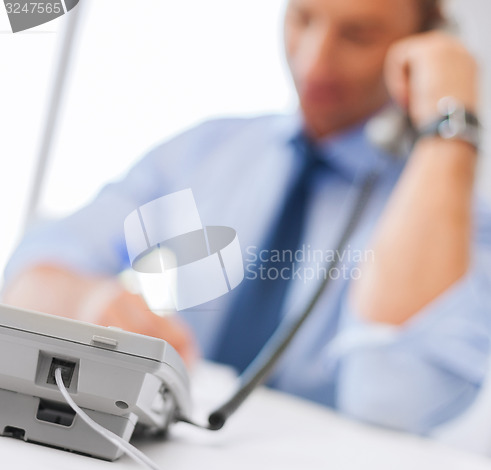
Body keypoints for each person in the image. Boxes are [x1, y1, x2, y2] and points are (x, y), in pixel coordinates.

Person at [3, 0, 491, 435]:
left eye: (358, 36)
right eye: (302, 18)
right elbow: (34, 270)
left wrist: (451, 129)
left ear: (425, 45)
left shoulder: (451, 219)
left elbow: (394, 398)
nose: (313, 61)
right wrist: (89, 303)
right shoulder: (205, 151)